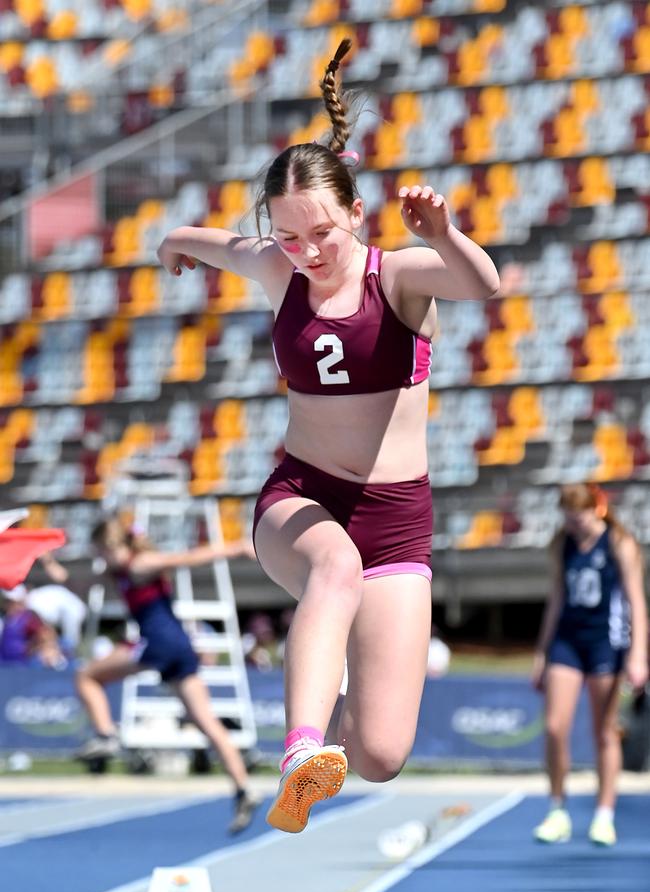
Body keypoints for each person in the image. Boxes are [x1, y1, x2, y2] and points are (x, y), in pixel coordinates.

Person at [157, 38, 499, 833]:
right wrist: (173, 239)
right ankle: (300, 748)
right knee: (334, 569)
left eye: (321, 235)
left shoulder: (400, 275)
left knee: (381, 751)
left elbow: (482, 284)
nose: (306, 253)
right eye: (286, 237)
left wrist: (444, 235)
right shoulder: (279, 270)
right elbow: (213, 243)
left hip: (398, 518)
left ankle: (333, 741)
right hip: (303, 499)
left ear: (355, 213)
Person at [75, 515, 259, 834]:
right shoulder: (119, 572)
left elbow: (186, 558)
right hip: (178, 648)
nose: (98, 561)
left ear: (111, 545)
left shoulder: (140, 564)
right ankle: (243, 789)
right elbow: (81, 583)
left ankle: (106, 735)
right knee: (208, 724)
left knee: (87, 676)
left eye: (99, 552)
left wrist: (237, 548)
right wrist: (49, 565)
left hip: (159, 643)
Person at [531, 483, 648, 847]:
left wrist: (638, 654)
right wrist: (542, 652)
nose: (573, 524)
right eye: (567, 516)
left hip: (607, 643)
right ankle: (556, 809)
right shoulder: (561, 544)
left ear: (594, 510)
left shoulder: (619, 543)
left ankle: (604, 813)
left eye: (577, 516)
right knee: (554, 727)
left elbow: (635, 602)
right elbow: (556, 598)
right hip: (568, 641)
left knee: (605, 731)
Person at [0, 584, 65, 668]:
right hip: (4, 665)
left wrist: (33, 648)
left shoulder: (28, 619)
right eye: (7, 601)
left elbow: (46, 634)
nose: (9, 605)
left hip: (21, 666)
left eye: (11, 602)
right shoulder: (5, 619)